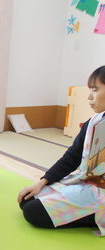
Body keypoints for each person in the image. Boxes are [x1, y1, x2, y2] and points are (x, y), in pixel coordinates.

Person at [18, 66, 105, 235]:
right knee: (27, 200)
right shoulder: (93, 122)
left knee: (32, 212)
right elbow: (72, 157)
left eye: (94, 90)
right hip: (86, 184)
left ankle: (95, 215)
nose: (89, 96)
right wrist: (42, 182)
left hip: (100, 193)